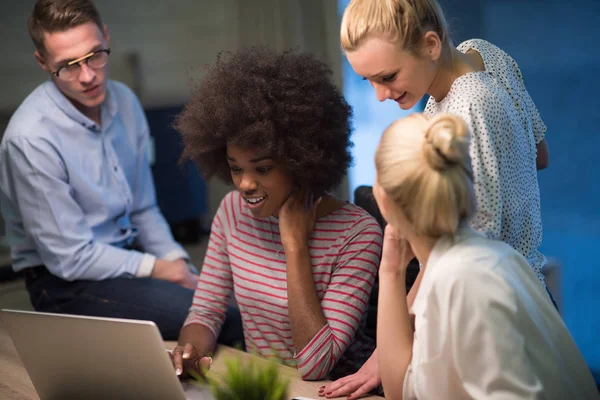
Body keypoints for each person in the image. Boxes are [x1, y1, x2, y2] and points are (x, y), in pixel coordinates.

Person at [322, 0, 551, 396]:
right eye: (368, 81)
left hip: (497, 319)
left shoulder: (463, 112)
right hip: (530, 295)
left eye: (388, 76)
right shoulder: (483, 52)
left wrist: (387, 352)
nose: (379, 95)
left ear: (430, 44)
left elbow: (458, 250)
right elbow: (539, 154)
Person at [0, 0, 243, 343]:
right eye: (67, 66)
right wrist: (161, 270)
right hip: (64, 284)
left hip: (128, 259)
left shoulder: (125, 102)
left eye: (95, 55)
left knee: (229, 303)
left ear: (106, 37)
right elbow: (70, 259)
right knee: (223, 319)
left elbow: (143, 209)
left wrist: (179, 265)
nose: (87, 76)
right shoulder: (30, 139)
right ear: (42, 62)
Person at [169, 46, 382, 381]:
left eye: (263, 168)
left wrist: (295, 246)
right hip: (269, 385)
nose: (245, 184)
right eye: (235, 168)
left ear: (301, 159)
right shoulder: (231, 212)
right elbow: (206, 311)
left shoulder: (358, 234)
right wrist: (190, 352)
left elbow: (315, 365)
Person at [368, 113, 598, 399]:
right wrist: (390, 271)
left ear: (386, 203)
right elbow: (403, 389)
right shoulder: (465, 262)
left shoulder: (466, 279)